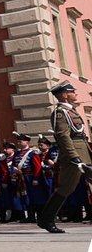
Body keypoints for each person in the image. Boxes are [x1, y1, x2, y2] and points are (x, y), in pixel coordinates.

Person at [39, 81, 92, 233]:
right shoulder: (60, 113)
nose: (75, 93)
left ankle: (45, 219)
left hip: (84, 152)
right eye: (72, 91)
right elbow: (63, 136)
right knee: (66, 188)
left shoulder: (71, 111)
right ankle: (46, 219)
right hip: (73, 155)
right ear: (64, 95)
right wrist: (73, 156)